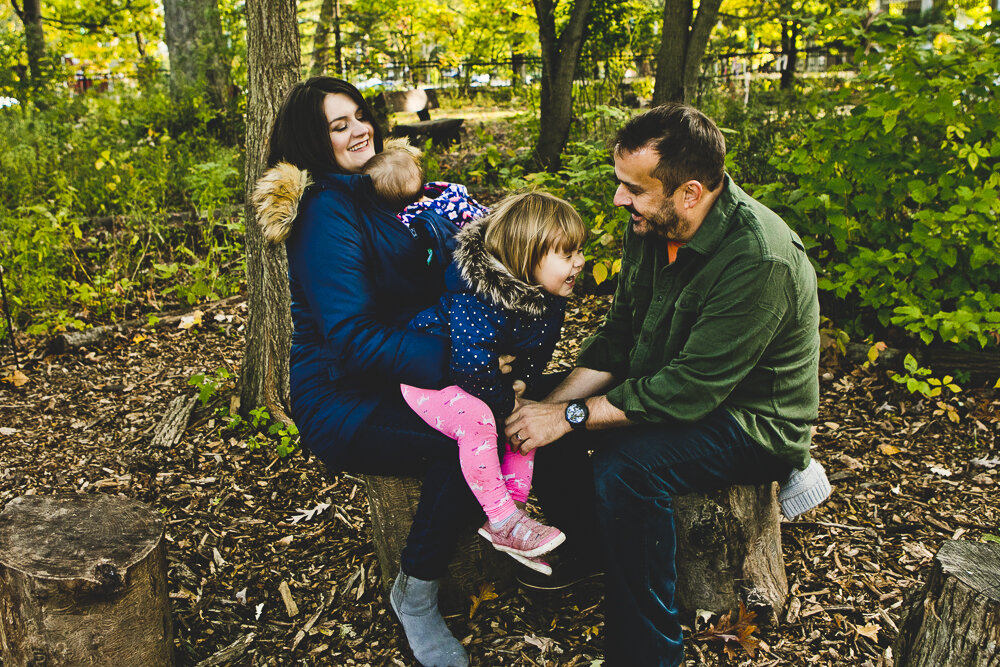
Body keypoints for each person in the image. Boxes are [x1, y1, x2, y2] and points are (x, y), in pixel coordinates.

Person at [503, 103, 825, 667]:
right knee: (545, 410)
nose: (618, 199)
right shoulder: (653, 224)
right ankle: (592, 551)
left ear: (691, 192)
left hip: (752, 420)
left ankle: (647, 650)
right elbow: (621, 338)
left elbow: (690, 390)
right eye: (619, 183)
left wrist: (572, 417)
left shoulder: (759, 258)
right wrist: (546, 408)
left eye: (633, 188)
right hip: (673, 382)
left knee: (627, 466)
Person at [252, 76, 486, 667]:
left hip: (402, 371)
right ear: (313, 141)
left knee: (520, 414)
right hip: (343, 397)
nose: (360, 129)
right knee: (469, 439)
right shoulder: (325, 212)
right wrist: (461, 361)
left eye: (359, 115)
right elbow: (352, 338)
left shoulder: (370, 191)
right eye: (339, 125)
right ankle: (416, 593)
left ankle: (546, 549)